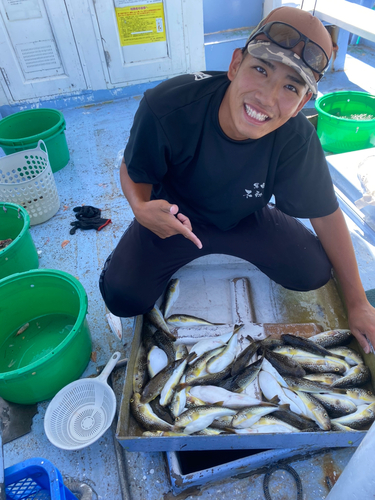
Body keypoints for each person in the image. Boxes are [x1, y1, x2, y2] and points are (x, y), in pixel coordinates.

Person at [99, 6, 375, 354]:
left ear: (304, 100)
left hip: (245, 218)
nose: (267, 97)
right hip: (176, 221)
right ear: (234, 64)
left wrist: (358, 303)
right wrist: (140, 208)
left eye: (291, 87)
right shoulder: (168, 105)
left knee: (314, 272)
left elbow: (326, 212)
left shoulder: (298, 138)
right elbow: (132, 167)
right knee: (122, 296)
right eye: (260, 69)